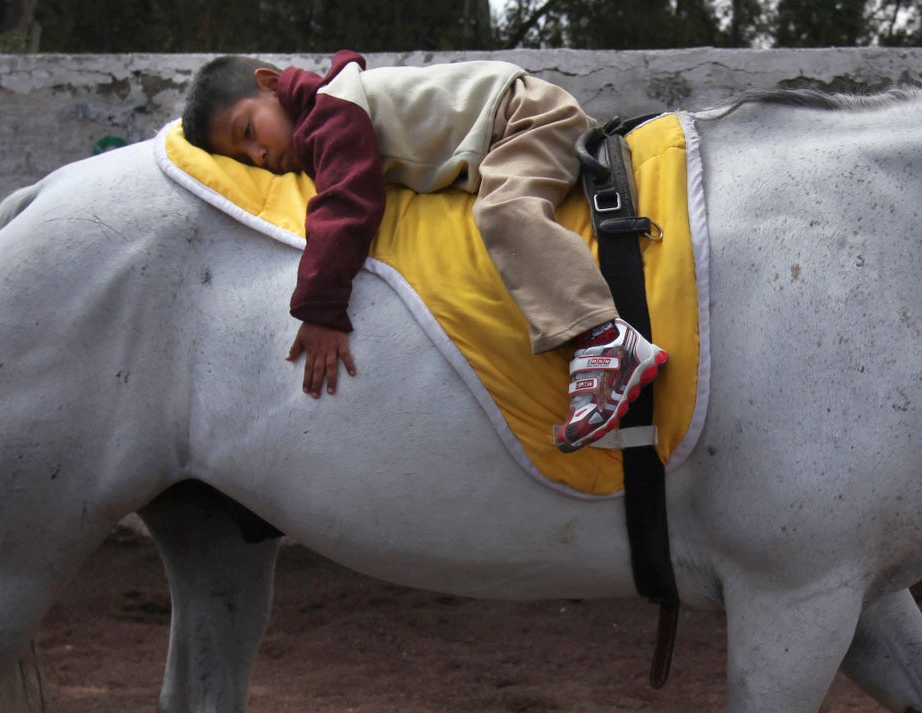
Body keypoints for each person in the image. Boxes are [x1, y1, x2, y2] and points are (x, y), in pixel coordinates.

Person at [181, 52, 668, 452]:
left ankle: (604, 338)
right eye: (243, 158)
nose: (259, 156)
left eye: (248, 132)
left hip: (524, 119)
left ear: (269, 83)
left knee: (504, 210)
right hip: (507, 127)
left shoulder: (332, 112)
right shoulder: (329, 114)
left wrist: (320, 311)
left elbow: (347, 205)